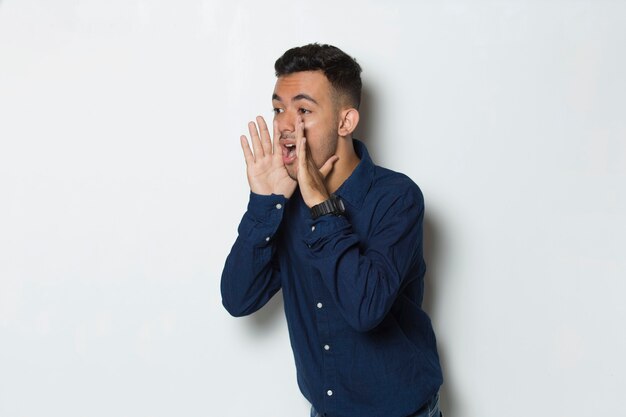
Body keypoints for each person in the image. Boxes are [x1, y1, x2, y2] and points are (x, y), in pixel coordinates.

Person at [221, 43, 443, 417]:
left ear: (346, 122)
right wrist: (264, 203)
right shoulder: (284, 204)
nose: (284, 125)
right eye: (278, 109)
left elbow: (364, 309)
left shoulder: (397, 198)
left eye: (303, 110)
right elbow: (238, 298)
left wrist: (322, 207)